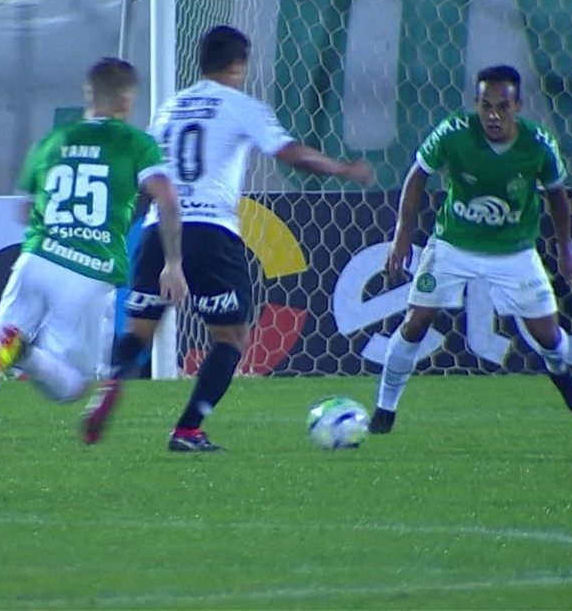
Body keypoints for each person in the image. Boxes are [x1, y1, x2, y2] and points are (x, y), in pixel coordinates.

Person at [82, 25, 375, 452]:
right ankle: (188, 429)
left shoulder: (169, 108)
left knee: (140, 331)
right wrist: (340, 170)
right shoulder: (240, 106)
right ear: (239, 64)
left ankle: (111, 382)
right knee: (230, 339)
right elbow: (289, 153)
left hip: (156, 233)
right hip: (211, 234)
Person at [0, 57, 186, 459]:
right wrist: (172, 262)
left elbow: (25, 210)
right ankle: (23, 351)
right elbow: (167, 197)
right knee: (74, 386)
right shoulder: (135, 143)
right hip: (88, 273)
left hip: (36, 260)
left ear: (88, 94)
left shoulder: (52, 141)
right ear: (127, 98)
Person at [372, 64, 572, 435]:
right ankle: (384, 409)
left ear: (518, 106)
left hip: (514, 251)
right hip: (453, 244)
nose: (492, 115)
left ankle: (560, 372)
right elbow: (417, 174)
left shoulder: (538, 145)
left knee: (548, 335)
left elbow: (557, 196)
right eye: (485, 105)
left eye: (502, 106)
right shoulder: (454, 132)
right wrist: (402, 235)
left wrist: (566, 250)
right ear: (476, 104)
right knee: (415, 321)